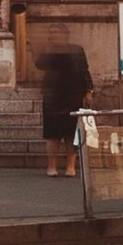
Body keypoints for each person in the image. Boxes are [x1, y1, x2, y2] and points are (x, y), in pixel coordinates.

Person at [36, 37, 94, 180]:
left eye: (58, 32)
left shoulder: (76, 49)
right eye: (52, 33)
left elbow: (84, 69)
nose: (56, 35)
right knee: (52, 134)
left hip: (73, 94)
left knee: (71, 132)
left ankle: (70, 166)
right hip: (52, 95)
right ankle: (52, 166)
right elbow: (39, 65)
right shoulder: (48, 49)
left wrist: (88, 90)